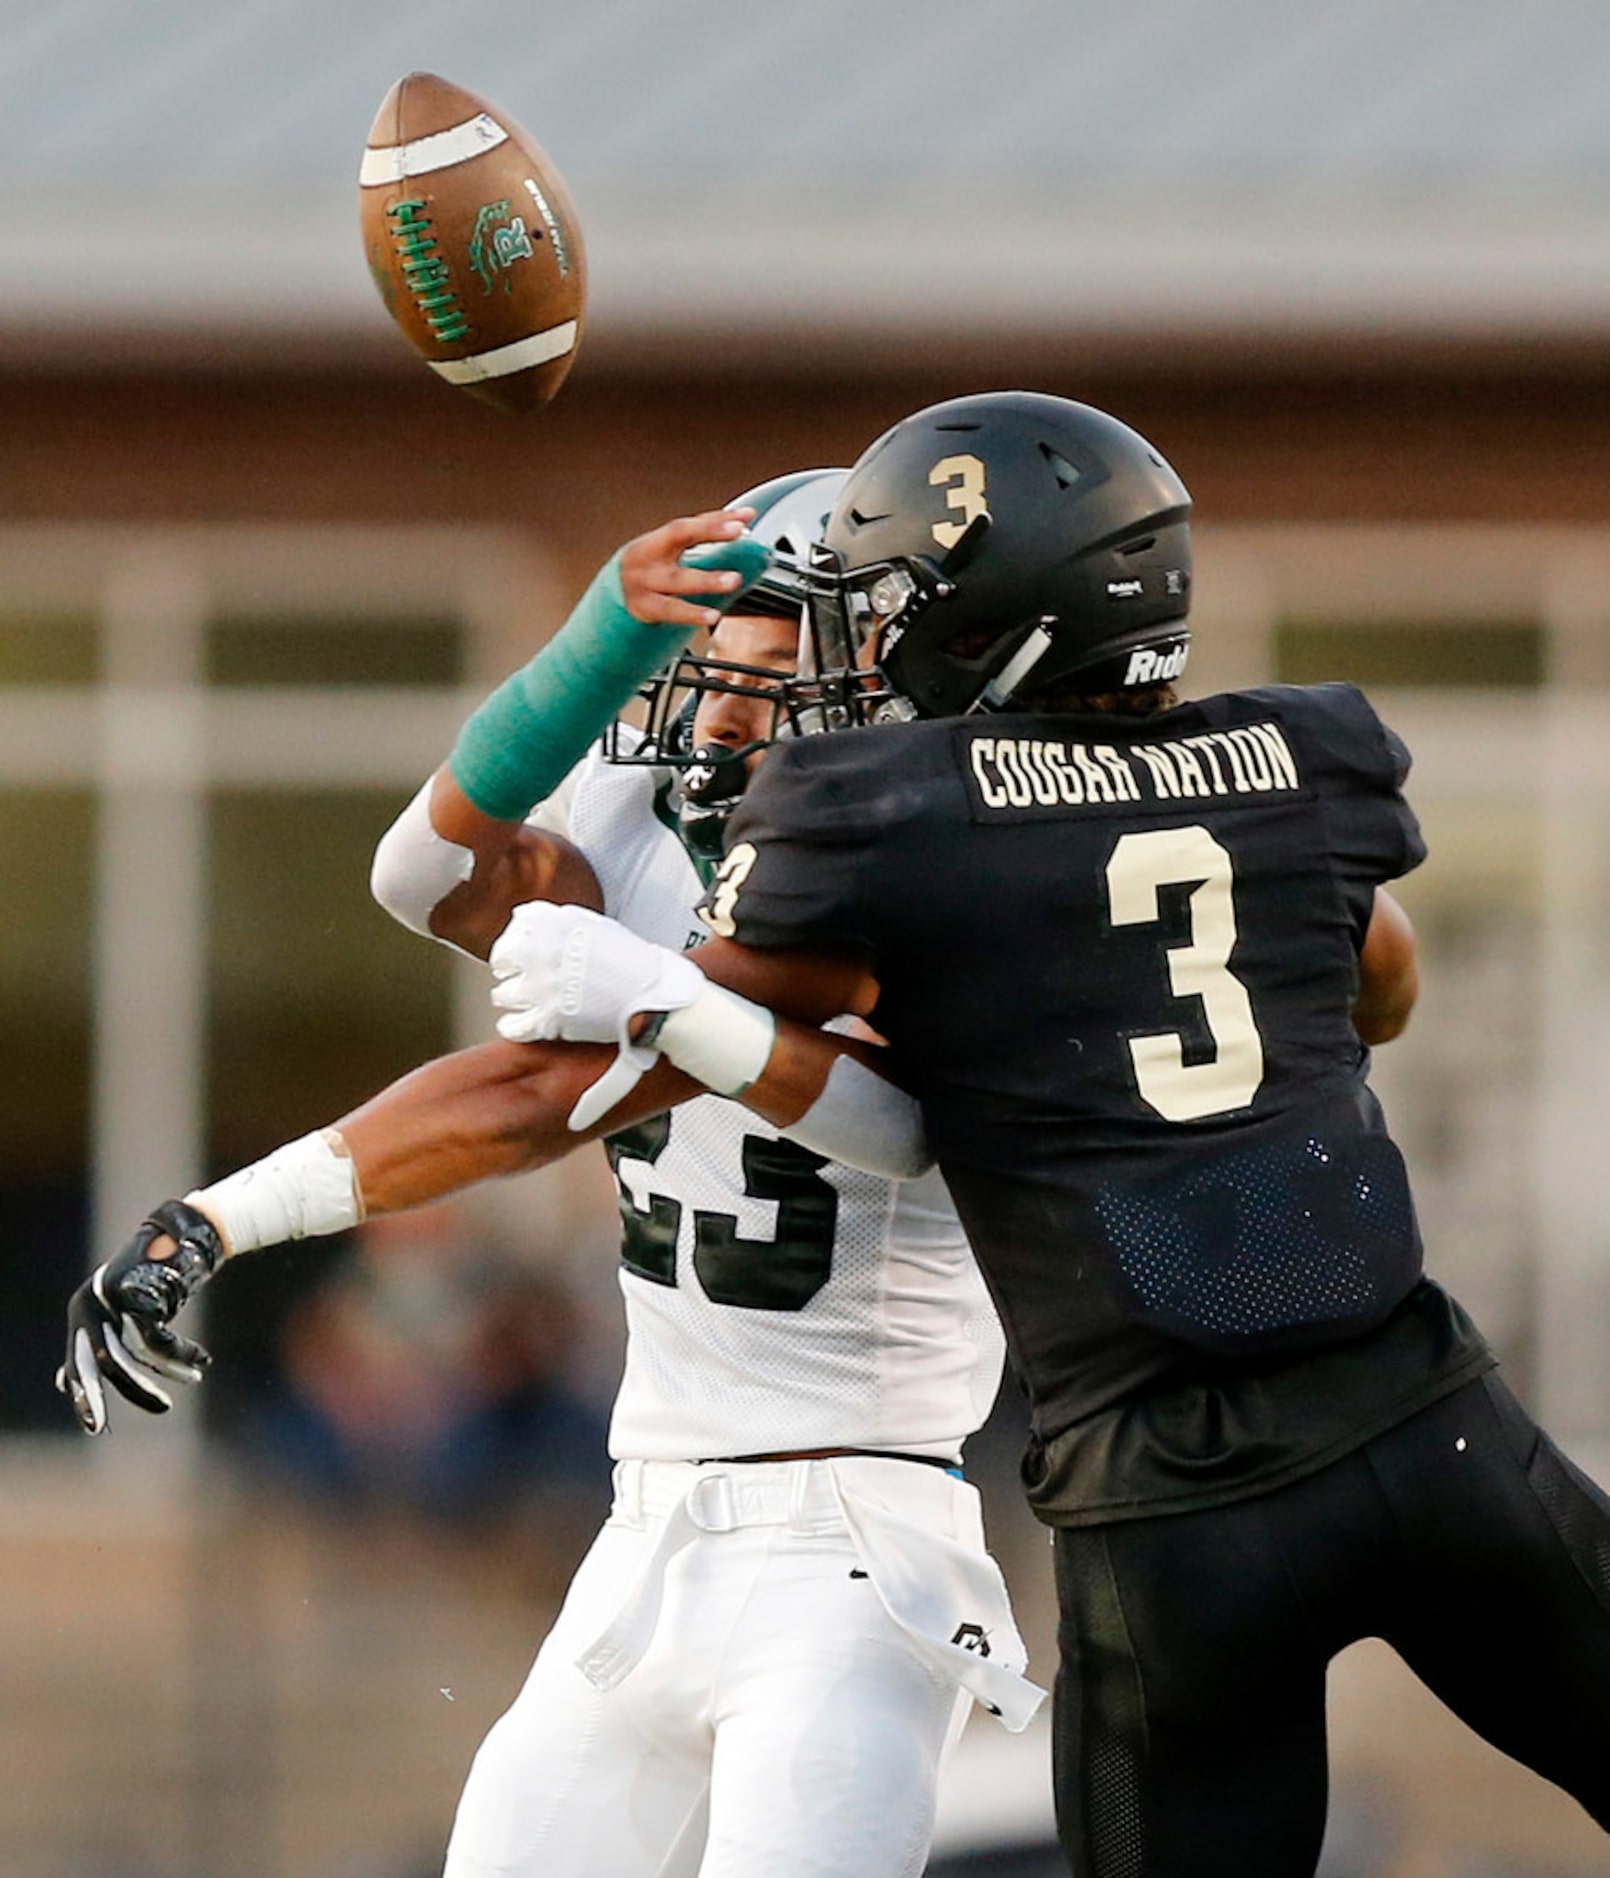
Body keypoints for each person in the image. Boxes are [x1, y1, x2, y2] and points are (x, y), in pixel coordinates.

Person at [484, 392, 1610, 1878]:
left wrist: (645, 994)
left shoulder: (888, 810)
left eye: (893, 600)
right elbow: (1383, 973)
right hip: (1423, 1417)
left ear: (989, 621)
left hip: (1168, 1505)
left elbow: (683, 1035)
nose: (870, 640)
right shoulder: (1294, 756)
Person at [58, 472, 1042, 1878]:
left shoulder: (968, 872)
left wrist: (667, 998)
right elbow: (430, 889)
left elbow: (913, 1120)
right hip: (646, 1524)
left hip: (857, 1546)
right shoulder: (653, 835)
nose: (717, 712)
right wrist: (596, 643)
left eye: (777, 671)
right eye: (712, 663)